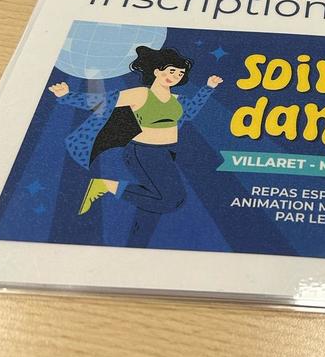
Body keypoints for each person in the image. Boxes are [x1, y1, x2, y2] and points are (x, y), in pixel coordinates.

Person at [50, 45, 222, 247]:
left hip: (166, 153)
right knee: (171, 200)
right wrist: (66, 95)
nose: (175, 76)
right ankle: (106, 186)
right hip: (143, 153)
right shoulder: (141, 95)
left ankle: (136, 233)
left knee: (172, 199)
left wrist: (208, 88)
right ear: (157, 71)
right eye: (171, 71)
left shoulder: (177, 99)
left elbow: (190, 112)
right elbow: (103, 102)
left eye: (180, 74)